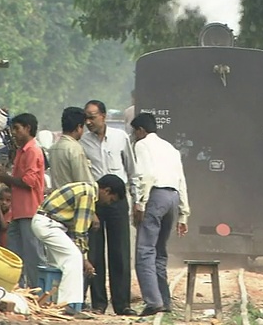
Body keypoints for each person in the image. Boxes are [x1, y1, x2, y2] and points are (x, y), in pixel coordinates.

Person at [30, 176, 122, 319]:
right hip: (48, 224)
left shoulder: (84, 187)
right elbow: (80, 232)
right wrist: (84, 259)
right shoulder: (88, 194)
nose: (108, 203)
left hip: (46, 222)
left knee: (59, 265)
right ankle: (67, 305)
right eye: (111, 199)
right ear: (106, 191)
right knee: (73, 258)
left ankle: (50, 304)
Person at [80, 100, 140, 316]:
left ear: (103, 116)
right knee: (94, 253)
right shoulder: (82, 142)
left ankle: (122, 303)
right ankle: (98, 303)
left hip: (117, 201)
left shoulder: (120, 138)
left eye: (92, 117)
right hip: (94, 202)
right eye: (86, 117)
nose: (88, 122)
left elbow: (132, 171)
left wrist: (137, 201)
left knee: (120, 252)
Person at [131, 112, 190, 316]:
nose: (134, 136)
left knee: (145, 250)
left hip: (155, 196)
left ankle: (153, 301)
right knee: (160, 251)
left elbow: (145, 175)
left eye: (134, 132)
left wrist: (140, 203)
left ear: (140, 130)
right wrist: (184, 214)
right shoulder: (171, 148)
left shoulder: (142, 145)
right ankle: (164, 300)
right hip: (172, 198)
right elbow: (181, 180)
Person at [0, 113, 46, 287]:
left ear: (28, 128)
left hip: (30, 210)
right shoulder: (21, 151)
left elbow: (29, 182)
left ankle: (39, 291)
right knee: (14, 254)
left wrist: (4, 178)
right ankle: (19, 288)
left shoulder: (33, 151)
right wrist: (2, 175)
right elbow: (17, 182)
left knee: (33, 254)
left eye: (17, 129)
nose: (15, 133)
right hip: (18, 211)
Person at [48, 107, 94, 188]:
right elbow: (84, 182)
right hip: (73, 198)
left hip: (58, 198)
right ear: (79, 127)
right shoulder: (74, 148)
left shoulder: (53, 148)